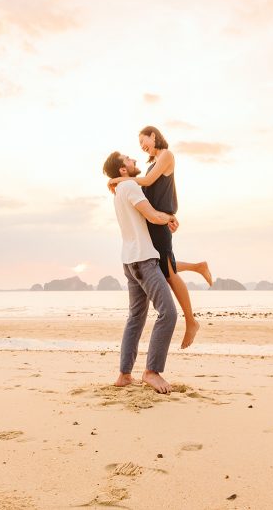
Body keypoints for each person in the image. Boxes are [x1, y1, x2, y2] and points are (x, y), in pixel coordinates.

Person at [108, 126, 212, 349]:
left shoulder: (166, 155)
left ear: (153, 135)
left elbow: (147, 182)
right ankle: (198, 267)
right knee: (165, 266)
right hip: (156, 222)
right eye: (139, 145)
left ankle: (191, 321)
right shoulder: (151, 163)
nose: (142, 147)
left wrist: (117, 179)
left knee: (168, 273)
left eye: (143, 141)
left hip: (159, 222)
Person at [103, 150, 179, 394]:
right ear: (123, 170)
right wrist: (170, 217)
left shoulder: (119, 191)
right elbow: (153, 216)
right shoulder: (130, 188)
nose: (134, 159)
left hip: (128, 261)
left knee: (136, 318)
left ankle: (124, 375)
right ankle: (152, 372)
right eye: (128, 159)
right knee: (168, 313)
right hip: (144, 259)